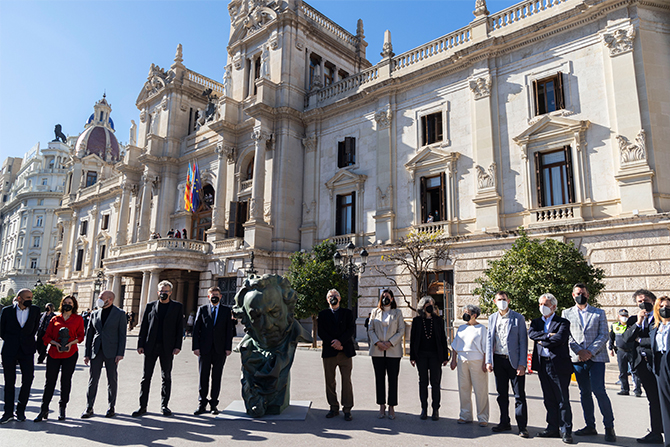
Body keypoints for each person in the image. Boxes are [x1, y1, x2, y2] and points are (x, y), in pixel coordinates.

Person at [561, 283, 615, 442]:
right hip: (577, 359)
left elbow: (604, 334)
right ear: (573, 295)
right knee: (584, 392)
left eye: (583, 293)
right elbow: (567, 335)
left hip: (596, 358)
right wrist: (579, 351)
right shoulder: (566, 313)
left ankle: (609, 426)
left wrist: (590, 351)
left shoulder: (598, 313)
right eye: (578, 293)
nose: (580, 295)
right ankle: (590, 425)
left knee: (599, 391)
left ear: (588, 295)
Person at [133, 280, 184, 417]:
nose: (163, 293)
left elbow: (180, 328)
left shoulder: (177, 307)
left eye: (166, 291)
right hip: (151, 346)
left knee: (166, 377)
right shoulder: (150, 306)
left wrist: (178, 345)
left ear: (170, 292)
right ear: (158, 292)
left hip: (167, 347)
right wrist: (140, 344)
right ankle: (142, 406)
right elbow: (144, 326)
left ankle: (164, 405)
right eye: (161, 291)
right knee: (146, 378)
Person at [529, 293, 574, 444]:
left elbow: (560, 339)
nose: (542, 307)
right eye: (540, 304)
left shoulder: (563, 322)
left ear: (554, 307)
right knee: (548, 398)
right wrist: (547, 336)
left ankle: (566, 429)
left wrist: (543, 340)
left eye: (546, 304)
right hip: (542, 364)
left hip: (558, 365)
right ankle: (552, 427)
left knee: (562, 399)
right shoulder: (536, 322)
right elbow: (532, 334)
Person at [34, 295, 85, 422]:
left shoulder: (78, 319)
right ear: (62, 304)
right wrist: (55, 343)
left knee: (65, 381)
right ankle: (44, 409)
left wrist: (70, 343)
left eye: (70, 303)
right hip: (54, 353)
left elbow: (81, 336)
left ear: (74, 305)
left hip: (70, 353)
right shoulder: (55, 319)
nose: (68, 304)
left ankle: (62, 408)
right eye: (66, 302)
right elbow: (46, 336)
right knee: (50, 382)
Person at [623, 289, 665, 444]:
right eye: (639, 301)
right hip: (642, 364)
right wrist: (638, 323)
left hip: (660, 363)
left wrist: (640, 341)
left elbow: (657, 342)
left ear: (653, 301)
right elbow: (626, 340)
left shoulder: (661, 317)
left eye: (645, 300)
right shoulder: (633, 319)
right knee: (653, 399)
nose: (643, 303)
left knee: (665, 397)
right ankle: (656, 432)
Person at [485, 291, 529, 438]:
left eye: (504, 299)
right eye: (499, 299)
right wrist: (489, 361)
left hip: (515, 362)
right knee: (501, 394)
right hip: (498, 360)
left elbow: (523, 342)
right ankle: (504, 422)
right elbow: (489, 339)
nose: (502, 302)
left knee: (519, 395)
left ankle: (522, 427)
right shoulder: (492, 318)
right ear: (494, 301)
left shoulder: (518, 318)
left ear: (509, 301)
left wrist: (522, 364)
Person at [81, 291, 127, 419]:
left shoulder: (120, 314)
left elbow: (122, 335)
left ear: (110, 300)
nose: (99, 300)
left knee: (111, 379)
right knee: (93, 380)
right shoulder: (95, 313)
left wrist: (120, 353)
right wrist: (87, 354)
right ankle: (89, 407)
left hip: (112, 352)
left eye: (102, 298)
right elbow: (89, 335)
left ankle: (111, 406)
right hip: (96, 351)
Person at [0, 288, 41, 424]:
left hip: (27, 350)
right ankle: (8, 412)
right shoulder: (6, 311)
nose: (30, 300)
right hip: (10, 350)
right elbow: (2, 330)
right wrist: (13, 340)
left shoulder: (35, 310)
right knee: (9, 382)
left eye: (31, 297)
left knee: (28, 379)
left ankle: (21, 410)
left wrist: (26, 339)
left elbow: (35, 328)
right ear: (19, 298)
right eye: (27, 298)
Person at [192, 287, 234, 415]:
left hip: (220, 350)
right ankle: (202, 403)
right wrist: (195, 347)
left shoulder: (227, 311)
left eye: (217, 294)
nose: (214, 296)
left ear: (221, 296)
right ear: (208, 297)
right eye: (212, 295)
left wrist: (228, 348)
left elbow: (229, 331)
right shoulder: (202, 309)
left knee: (216, 377)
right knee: (203, 377)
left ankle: (214, 404)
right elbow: (196, 329)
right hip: (204, 349)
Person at [318, 289, 356, 421]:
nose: (332, 298)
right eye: (330, 296)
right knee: (330, 381)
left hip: (345, 351)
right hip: (329, 352)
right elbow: (321, 332)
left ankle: (347, 409)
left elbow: (351, 329)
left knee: (346, 381)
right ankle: (333, 407)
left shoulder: (348, 313)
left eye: (335, 296)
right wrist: (333, 343)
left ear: (339, 298)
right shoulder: (322, 314)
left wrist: (341, 342)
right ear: (327, 300)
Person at [367, 289, 405, 419]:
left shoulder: (398, 313)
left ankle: (391, 406)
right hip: (377, 350)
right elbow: (370, 329)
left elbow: (401, 331)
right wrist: (378, 342)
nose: (385, 298)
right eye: (383, 296)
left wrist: (390, 342)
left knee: (393, 379)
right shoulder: (375, 312)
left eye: (388, 296)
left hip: (393, 351)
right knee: (379, 379)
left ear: (392, 299)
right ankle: (381, 406)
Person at [410, 296, 449, 420]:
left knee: (435, 383)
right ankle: (424, 408)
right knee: (423, 382)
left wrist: (445, 357)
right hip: (421, 355)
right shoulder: (416, 321)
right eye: (428, 304)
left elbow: (443, 338)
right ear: (423, 306)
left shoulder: (438, 320)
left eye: (432, 303)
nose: (430, 306)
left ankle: (436, 409)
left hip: (435, 356)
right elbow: (413, 340)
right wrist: (412, 356)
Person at [450, 304, 488, 426]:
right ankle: (465, 415)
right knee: (463, 388)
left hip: (477, 360)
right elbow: (455, 345)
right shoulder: (461, 328)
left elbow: (486, 347)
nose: (465, 314)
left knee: (480, 389)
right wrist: (453, 360)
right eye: (464, 312)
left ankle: (483, 417)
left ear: (474, 315)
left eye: (467, 312)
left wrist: (485, 363)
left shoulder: (481, 328)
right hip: (462, 360)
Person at [650, 295, 670, 446]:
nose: (665, 309)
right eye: (661, 306)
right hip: (660, 363)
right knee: (665, 402)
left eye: (668, 306)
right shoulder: (655, 328)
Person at [609, 309, 637, 396]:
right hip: (620, 351)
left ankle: (637, 390)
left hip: (632, 351)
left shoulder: (631, 325)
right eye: (622, 316)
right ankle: (624, 389)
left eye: (625, 316)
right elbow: (611, 338)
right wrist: (610, 349)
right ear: (619, 316)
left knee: (635, 371)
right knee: (622, 371)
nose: (624, 317)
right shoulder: (614, 326)